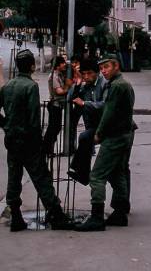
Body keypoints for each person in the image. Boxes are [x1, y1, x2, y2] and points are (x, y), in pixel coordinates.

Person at [0, 49, 73, 231]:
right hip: (28, 140)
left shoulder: (8, 86)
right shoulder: (30, 87)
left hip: (12, 139)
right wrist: (38, 141)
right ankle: (55, 214)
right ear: (33, 66)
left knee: (14, 176)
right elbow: (34, 118)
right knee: (41, 177)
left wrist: (6, 125)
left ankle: (16, 216)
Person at [75, 53, 135, 231]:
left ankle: (96, 217)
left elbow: (108, 112)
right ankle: (120, 212)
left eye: (106, 67)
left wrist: (99, 134)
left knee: (97, 176)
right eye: (101, 68)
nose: (104, 71)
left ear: (116, 66)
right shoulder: (121, 84)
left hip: (115, 135)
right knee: (117, 173)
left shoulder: (116, 86)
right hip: (124, 134)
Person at [67, 57, 106, 185]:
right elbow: (70, 97)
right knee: (84, 139)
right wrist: (77, 84)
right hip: (93, 125)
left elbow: (104, 105)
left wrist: (84, 103)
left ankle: (80, 172)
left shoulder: (104, 83)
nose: (86, 76)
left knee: (84, 138)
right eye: (84, 74)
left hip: (105, 124)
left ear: (97, 72)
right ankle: (83, 173)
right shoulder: (85, 85)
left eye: (89, 73)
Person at [42, 55, 73, 156]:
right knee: (53, 128)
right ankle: (46, 149)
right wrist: (68, 86)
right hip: (54, 105)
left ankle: (47, 149)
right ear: (57, 65)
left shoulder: (59, 74)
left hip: (58, 105)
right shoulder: (53, 76)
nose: (64, 65)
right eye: (62, 63)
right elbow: (59, 91)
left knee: (55, 128)